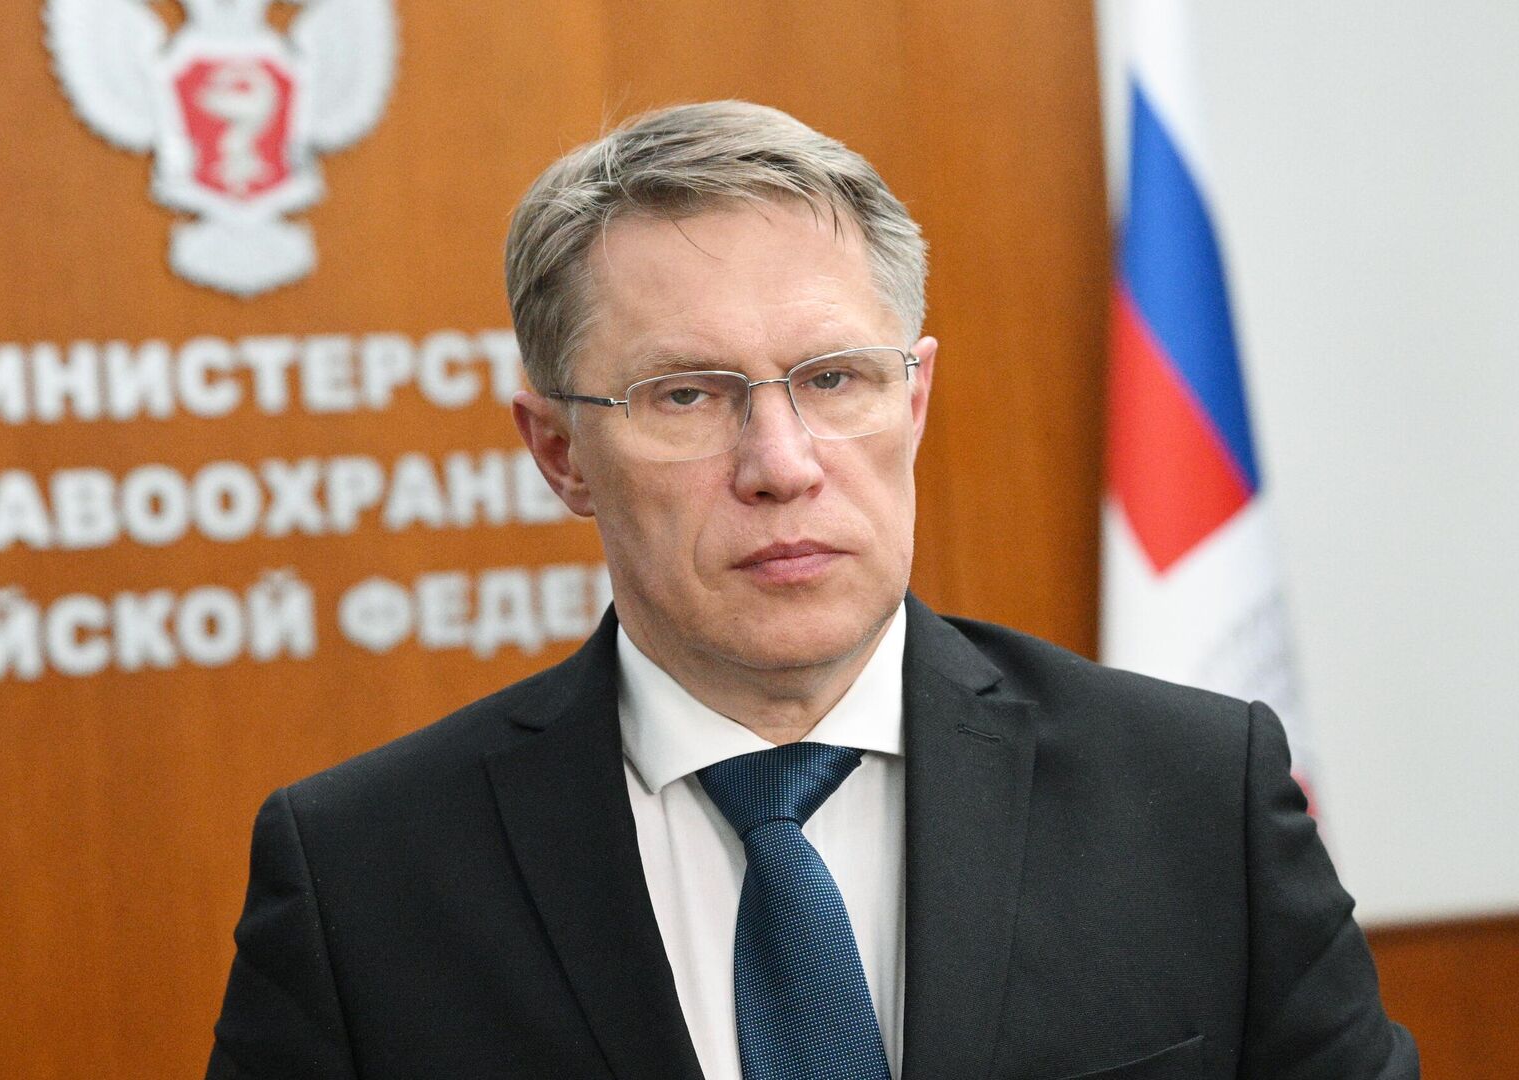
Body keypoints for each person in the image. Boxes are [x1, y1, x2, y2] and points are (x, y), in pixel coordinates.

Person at [205, 101, 1417, 1080]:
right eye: (687, 395)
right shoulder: (363, 876)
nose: (781, 465)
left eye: (834, 379)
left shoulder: (1196, 796)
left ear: (914, 400)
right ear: (560, 451)